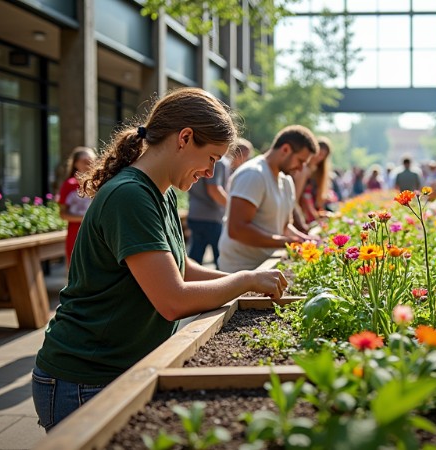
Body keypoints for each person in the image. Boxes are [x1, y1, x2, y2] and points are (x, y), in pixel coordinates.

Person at [32, 88, 287, 431]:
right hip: (83, 378)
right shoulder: (131, 195)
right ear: (184, 138)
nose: (211, 172)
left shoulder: (161, 190)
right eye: (211, 158)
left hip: (110, 370)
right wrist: (245, 281)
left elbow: (180, 267)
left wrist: (244, 276)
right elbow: (172, 300)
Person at [218, 125, 317, 272]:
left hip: (266, 266)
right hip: (239, 270)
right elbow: (237, 229)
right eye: (300, 161)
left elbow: (283, 227)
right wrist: (285, 242)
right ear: (285, 150)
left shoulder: (286, 181)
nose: (301, 168)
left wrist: (304, 240)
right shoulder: (253, 174)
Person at [186, 138, 251, 267]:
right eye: (246, 156)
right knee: (221, 259)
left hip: (194, 213)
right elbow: (214, 190)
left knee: (195, 257)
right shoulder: (220, 162)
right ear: (239, 153)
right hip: (211, 217)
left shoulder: (201, 158)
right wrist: (234, 209)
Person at [57, 147, 96, 266]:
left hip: (96, 234)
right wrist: (85, 218)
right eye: (85, 160)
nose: (89, 164)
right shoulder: (69, 185)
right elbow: (63, 214)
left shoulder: (99, 182)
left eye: (92, 160)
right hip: (76, 234)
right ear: (76, 163)